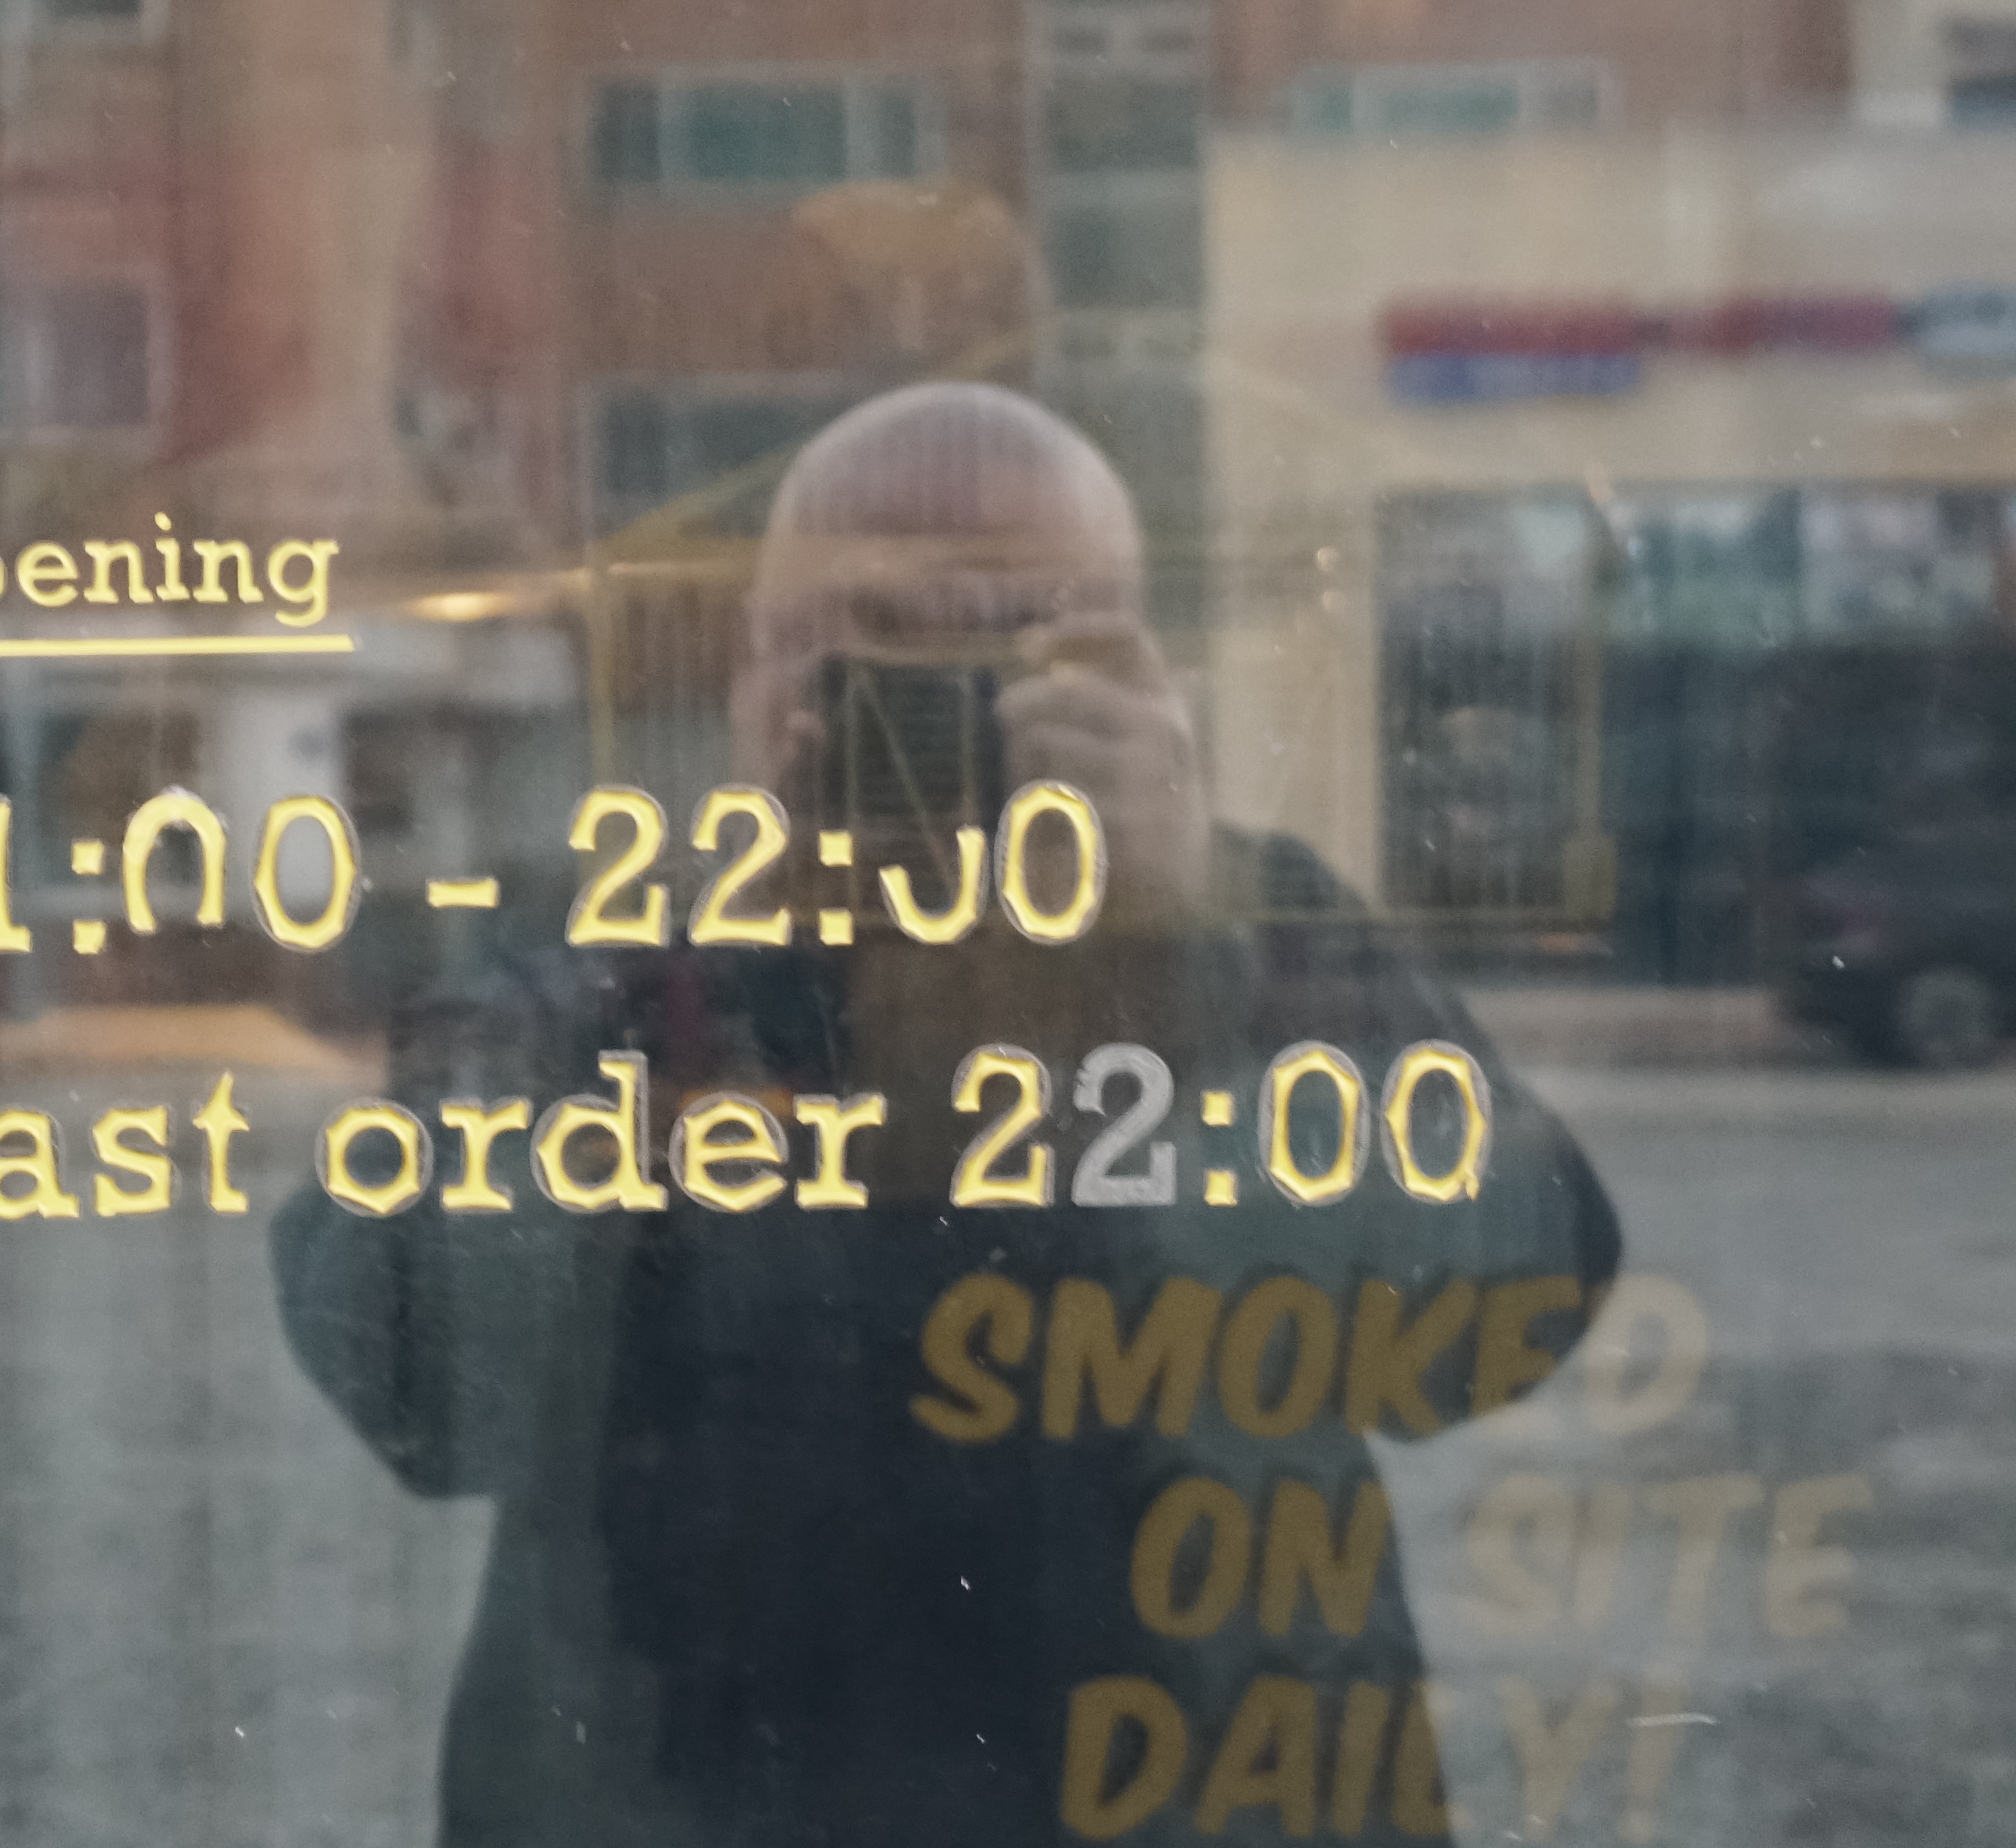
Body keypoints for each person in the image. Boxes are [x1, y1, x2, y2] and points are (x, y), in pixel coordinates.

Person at [272, 384, 1622, 1847]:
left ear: (1140, 676)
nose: (928, 713)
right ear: (752, 672)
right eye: (868, 645)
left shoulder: (1256, 926)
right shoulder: (617, 955)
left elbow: (1507, 1311)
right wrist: (708, 1002)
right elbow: (403, 1370)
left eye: (1007, 642)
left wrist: (1187, 952)